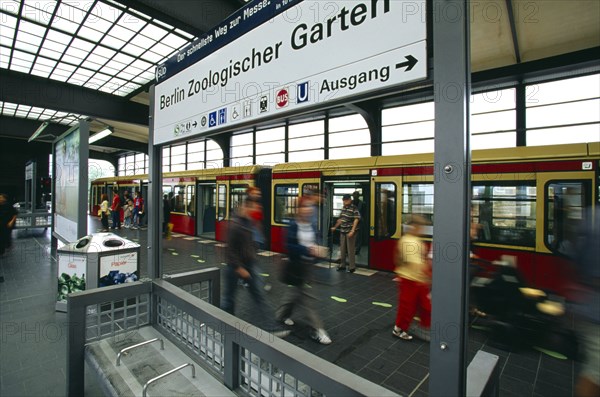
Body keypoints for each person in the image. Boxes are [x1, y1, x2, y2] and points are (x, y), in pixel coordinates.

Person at [221, 193, 286, 335]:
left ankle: (271, 327)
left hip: (249, 265)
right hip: (235, 268)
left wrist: (253, 250)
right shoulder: (235, 224)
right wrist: (239, 268)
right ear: (246, 206)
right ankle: (225, 325)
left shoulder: (248, 222)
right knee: (229, 299)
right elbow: (230, 251)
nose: (256, 209)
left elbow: (249, 243)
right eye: (254, 206)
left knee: (259, 296)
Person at [277, 197, 332, 344]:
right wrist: (307, 249)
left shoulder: (313, 226)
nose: (308, 209)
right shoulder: (293, 226)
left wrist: (318, 252)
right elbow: (288, 247)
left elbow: (316, 242)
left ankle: (281, 315)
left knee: (293, 295)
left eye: (310, 207)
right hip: (296, 267)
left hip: (308, 267)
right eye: (305, 207)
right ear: (299, 209)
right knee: (308, 300)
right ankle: (318, 330)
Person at [571, 209, 600, 397]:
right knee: (595, 373)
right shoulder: (594, 220)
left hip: (592, 308)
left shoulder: (593, 218)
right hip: (595, 312)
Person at [393, 215, 432, 341]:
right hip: (410, 279)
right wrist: (426, 275)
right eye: (421, 227)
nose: (423, 230)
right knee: (408, 307)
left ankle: (425, 327)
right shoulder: (409, 241)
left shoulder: (413, 239)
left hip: (417, 279)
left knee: (424, 305)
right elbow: (415, 263)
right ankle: (399, 329)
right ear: (415, 226)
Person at [330, 194, 360, 273]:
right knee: (342, 249)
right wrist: (335, 227)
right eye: (343, 200)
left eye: (346, 200)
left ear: (350, 200)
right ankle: (342, 265)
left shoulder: (354, 208)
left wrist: (352, 231)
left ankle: (352, 267)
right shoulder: (343, 208)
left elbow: (356, 219)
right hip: (343, 231)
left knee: (350, 250)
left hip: (350, 232)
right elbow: (340, 220)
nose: (344, 201)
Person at [352, 191, 366, 255]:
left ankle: (357, 250)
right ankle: (351, 249)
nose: (354, 197)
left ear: (358, 196)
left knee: (359, 237)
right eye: (354, 196)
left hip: (360, 222)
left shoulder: (362, 204)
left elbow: (364, 214)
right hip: (351, 221)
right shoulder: (351, 203)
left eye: (356, 196)